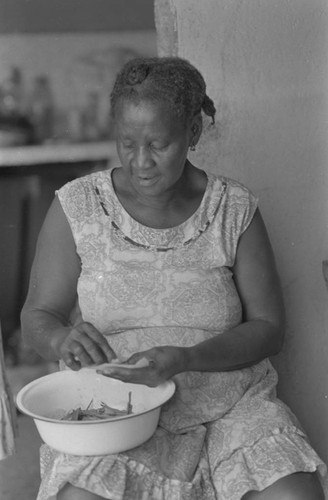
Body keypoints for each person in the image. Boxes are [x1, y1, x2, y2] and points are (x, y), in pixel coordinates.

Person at [21, 56, 326, 500]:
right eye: (127, 143)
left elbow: (268, 330)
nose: (140, 161)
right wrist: (59, 340)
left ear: (193, 133)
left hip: (232, 409)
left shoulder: (234, 209)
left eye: (158, 144)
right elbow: (38, 315)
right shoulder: (78, 205)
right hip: (116, 413)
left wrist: (185, 358)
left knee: (294, 494)